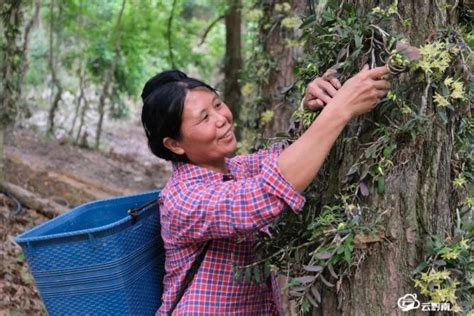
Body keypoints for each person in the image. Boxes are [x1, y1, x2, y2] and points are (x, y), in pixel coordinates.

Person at [141, 65, 390, 315]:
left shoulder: (235, 169)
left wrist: (311, 109)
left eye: (217, 105)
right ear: (174, 144)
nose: (221, 119)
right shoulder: (182, 199)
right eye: (204, 118)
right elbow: (269, 191)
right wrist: (340, 109)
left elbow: (284, 156)